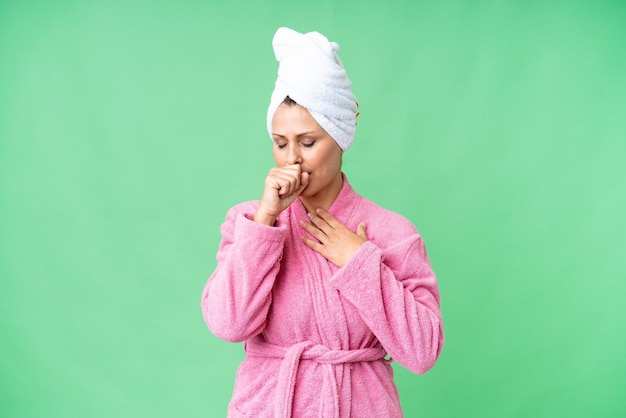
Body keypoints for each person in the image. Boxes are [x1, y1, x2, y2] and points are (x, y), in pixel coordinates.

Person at [201, 27, 444, 418]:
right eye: (281, 143)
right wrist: (266, 221)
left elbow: (422, 352)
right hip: (267, 406)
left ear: (340, 136)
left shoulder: (392, 232)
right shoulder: (249, 223)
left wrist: (360, 261)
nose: (291, 159)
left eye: (308, 142)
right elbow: (228, 325)